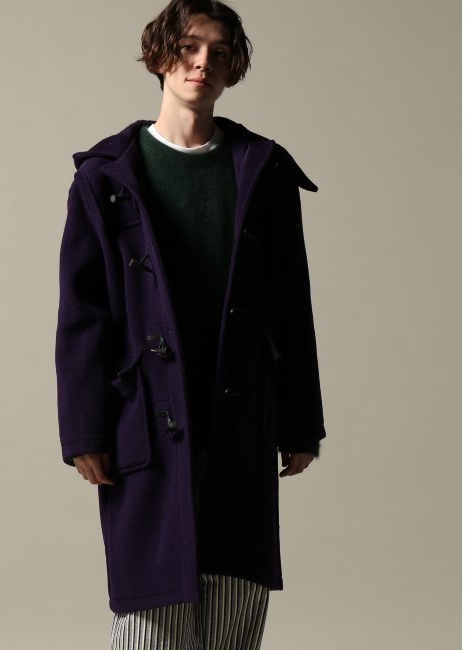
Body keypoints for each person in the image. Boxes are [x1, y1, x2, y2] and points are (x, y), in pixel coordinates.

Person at [55, 0, 327, 647]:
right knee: (150, 626)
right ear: (160, 55)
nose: (203, 62)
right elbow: (82, 314)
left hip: (241, 422)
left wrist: (301, 423)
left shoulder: (263, 173)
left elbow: (291, 304)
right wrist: (85, 429)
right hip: (144, 424)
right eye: (190, 47)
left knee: (231, 626)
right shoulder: (105, 179)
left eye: (219, 52)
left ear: (233, 68)